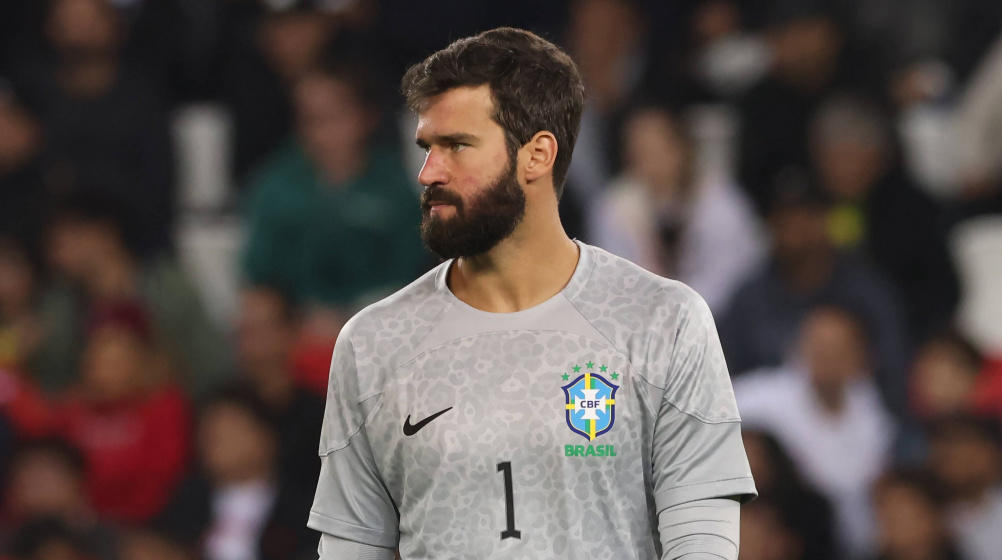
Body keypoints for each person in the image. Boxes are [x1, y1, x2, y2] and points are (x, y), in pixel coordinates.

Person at [309, 27, 757, 559]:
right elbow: (351, 549)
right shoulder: (373, 344)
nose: (429, 172)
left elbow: (703, 543)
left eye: (457, 145)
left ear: (537, 155)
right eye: (427, 147)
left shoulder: (664, 321)